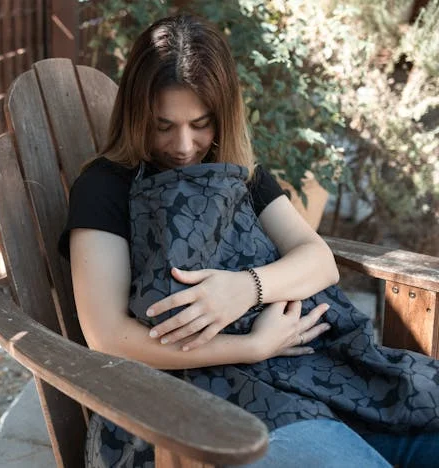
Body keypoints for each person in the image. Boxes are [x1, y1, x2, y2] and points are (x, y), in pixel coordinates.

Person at [58, 13, 439, 468]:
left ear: (223, 114)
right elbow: (108, 337)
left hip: (298, 377)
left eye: (200, 123)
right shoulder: (105, 187)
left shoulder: (239, 175)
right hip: (182, 411)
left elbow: (319, 261)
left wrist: (244, 288)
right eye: (164, 126)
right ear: (137, 115)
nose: (184, 145)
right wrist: (251, 347)